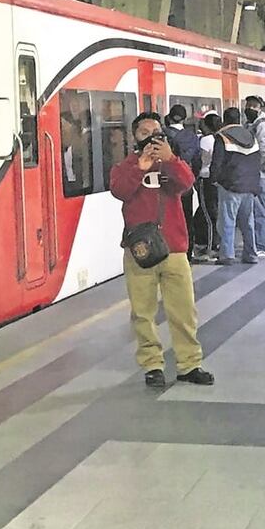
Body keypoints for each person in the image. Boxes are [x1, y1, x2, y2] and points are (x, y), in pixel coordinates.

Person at [110, 113, 214, 389]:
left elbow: (186, 183)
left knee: (183, 310)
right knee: (142, 313)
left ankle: (189, 364)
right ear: (135, 137)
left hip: (175, 248)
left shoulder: (170, 162)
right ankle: (152, 365)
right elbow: (119, 190)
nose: (151, 136)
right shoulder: (125, 165)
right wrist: (139, 167)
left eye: (156, 130)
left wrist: (169, 159)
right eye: (144, 131)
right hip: (140, 250)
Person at [211, 108, 261, 264]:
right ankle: (251, 254)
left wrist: (214, 178)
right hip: (250, 184)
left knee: (227, 221)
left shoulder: (223, 137)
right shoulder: (251, 136)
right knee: (248, 222)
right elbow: (257, 160)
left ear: (225, 120)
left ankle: (227, 255)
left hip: (231, 185)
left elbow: (217, 161)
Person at [164, 104, 203, 260]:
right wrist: (191, 177)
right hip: (185, 185)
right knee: (186, 218)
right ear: (185, 119)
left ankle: (169, 250)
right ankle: (187, 251)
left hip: (166, 186)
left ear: (169, 117)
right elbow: (198, 161)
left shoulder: (163, 135)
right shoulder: (192, 137)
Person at [245, 96, 265, 257]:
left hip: (261, 175)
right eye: (248, 105)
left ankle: (263, 245)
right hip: (255, 174)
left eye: (253, 106)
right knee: (258, 210)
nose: (249, 108)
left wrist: (257, 168)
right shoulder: (254, 125)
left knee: (260, 211)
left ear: (260, 108)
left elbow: (264, 150)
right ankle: (262, 243)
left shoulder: (263, 126)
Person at [193, 112, 223, 261]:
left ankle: (211, 248)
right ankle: (214, 245)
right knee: (213, 212)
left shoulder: (205, 140)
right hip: (217, 180)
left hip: (205, 179)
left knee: (208, 215)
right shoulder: (219, 139)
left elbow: (202, 161)